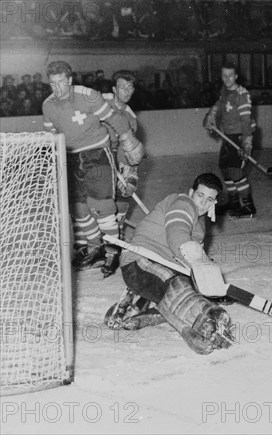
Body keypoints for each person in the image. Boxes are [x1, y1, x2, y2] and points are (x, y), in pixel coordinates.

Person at [42, 61, 144, 276]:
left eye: (62, 83)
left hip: (96, 153)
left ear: (69, 80)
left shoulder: (88, 95)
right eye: (53, 84)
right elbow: (51, 136)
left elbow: (115, 118)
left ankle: (111, 251)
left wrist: (128, 140)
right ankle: (94, 247)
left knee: (101, 205)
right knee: (78, 208)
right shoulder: (48, 105)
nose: (58, 89)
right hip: (70, 157)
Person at [118, 173, 233, 354]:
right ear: (191, 193)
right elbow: (177, 230)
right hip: (139, 261)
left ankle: (155, 308)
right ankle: (203, 319)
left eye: (209, 199)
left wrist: (211, 283)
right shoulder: (183, 203)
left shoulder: (199, 226)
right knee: (175, 284)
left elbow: (193, 262)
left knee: (185, 285)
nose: (203, 203)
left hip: (162, 267)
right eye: (200, 195)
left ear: (214, 203)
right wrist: (188, 248)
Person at [203, 62, 256, 218]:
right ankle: (233, 203)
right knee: (225, 170)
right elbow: (219, 104)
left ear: (236, 76)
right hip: (228, 136)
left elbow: (246, 121)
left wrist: (246, 143)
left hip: (239, 136)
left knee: (235, 171)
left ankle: (248, 206)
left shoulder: (242, 94)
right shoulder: (225, 90)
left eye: (230, 75)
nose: (227, 78)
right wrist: (211, 116)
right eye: (224, 75)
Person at [101, 70, 140, 241]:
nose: (127, 91)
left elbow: (128, 149)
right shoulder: (101, 101)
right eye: (122, 87)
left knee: (124, 192)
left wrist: (129, 174)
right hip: (94, 154)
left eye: (130, 87)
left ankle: (118, 234)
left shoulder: (130, 117)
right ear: (114, 89)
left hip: (115, 155)